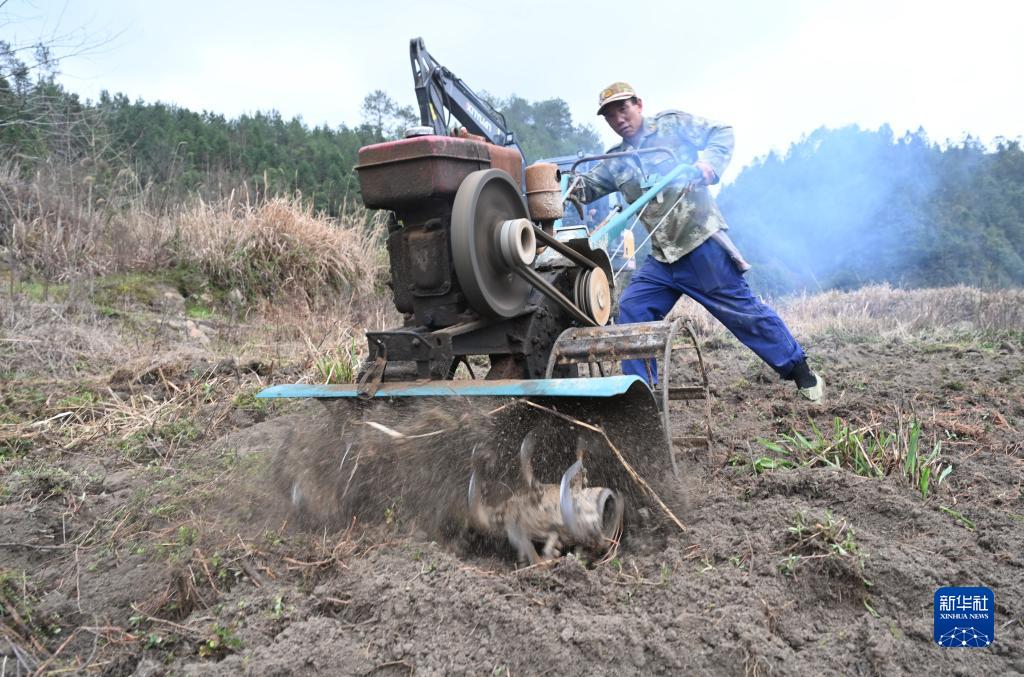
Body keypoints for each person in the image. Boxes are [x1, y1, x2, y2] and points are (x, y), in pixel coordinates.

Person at [575, 82, 824, 403]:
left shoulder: (672, 126)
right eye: (609, 115)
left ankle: (802, 373)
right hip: (663, 260)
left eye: (622, 108)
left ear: (638, 104)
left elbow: (722, 132)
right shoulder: (616, 161)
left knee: (743, 314)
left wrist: (710, 165)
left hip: (701, 244)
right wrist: (555, 182)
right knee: (633, 310)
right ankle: (642, 397)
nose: (618, 118)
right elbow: (586, 186)